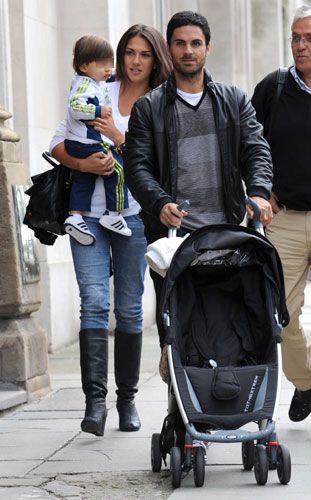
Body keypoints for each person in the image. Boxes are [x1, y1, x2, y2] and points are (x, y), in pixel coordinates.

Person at [124, 11, 273, 349]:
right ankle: (178, 400)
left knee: (232, 333)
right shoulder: (149, 108)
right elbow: (138, 167)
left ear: (208, 47)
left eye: (195, 43)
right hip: (175, 242)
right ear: (169, 48)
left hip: (228, 236)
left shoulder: (234, 100)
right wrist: (160, 203)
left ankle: (229, 397)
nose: (188, 51)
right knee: (177, 339)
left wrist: (260, 192)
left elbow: (256, 150)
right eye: (180, 44)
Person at [50, 24, 172, 436]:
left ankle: (128, 401)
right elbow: (59, 142)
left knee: (130, 308)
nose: (135, 61)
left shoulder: (160, 102)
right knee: (94, 304)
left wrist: (120, 140)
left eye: (144, 54)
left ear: (155, 60)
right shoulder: (97, 87)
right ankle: (95, 403)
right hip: (86, 217)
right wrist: (84, 165)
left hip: (132, 218)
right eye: (129, 53)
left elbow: (162, 167)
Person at [252, 5, 311, 422]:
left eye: (309, 38)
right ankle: (306, 382)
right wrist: (257, 190)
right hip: (285, 220)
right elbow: (248, 145)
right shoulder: (272, 88)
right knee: (283, 316)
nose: (301, 46)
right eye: (296, 38)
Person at [63, 34, 131, 244]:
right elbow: (75, 107)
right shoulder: (85, 85)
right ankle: (114, 215)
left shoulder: (94, 82)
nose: (108, 69)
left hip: (81, 142)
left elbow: (112, 78)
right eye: (102, 64)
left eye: (110, 63)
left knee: (84, 179)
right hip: (86, 143)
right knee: (117, 171)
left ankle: (75, 216)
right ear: (84, 66)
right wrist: (99, 110)